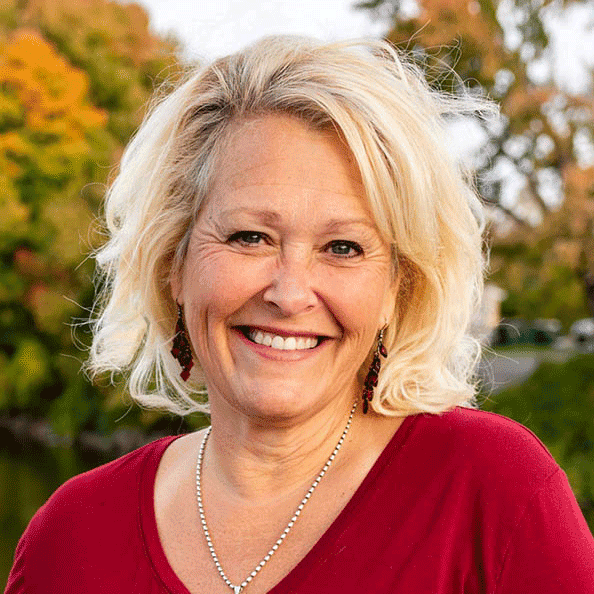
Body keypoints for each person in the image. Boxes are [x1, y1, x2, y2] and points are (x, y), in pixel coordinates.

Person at [5, 35, 594, 594]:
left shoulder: (492, 493)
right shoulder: (71, 538)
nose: (290, 293)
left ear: (397, 287)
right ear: (172, 265)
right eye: (249, 237)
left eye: (343, 248)